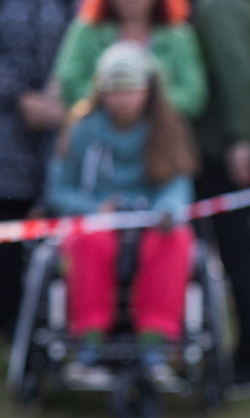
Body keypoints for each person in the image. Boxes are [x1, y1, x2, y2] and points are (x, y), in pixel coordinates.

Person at [44, 41, 195, 385]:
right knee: (88, 240)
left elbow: (178, 185)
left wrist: (167, 210)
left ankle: (155, 346)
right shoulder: (81, 129)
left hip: (150, 223)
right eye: (114, 91)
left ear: (147, 90)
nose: (122, 100)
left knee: (175, 240)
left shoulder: (167, 129)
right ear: (101, 91)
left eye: (130, 91)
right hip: (98, 223)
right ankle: (89, 345)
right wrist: (94, 209)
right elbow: (59, 190)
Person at [0, 0, 73, 331]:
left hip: (60, 117)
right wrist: (21, 98)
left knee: (62, 222)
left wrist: (57, 92)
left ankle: (60, 324)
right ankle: (11, 327)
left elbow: (82, 33)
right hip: (1, 124)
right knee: (4, 231)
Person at [190, 0, 250, 393]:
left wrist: (238, 137)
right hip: (246, 142)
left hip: (228, 150)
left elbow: (237, 72)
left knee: (236, 258)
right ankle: (249, 357)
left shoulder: (220, 8)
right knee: (239, 258)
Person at [52, 0, 206, 118]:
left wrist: (145, 102)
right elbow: (69, 83)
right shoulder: (87, 31)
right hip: (98, 133)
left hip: (160, 138)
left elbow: (192, 96)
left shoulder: (179, 37)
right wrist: (112, 99)